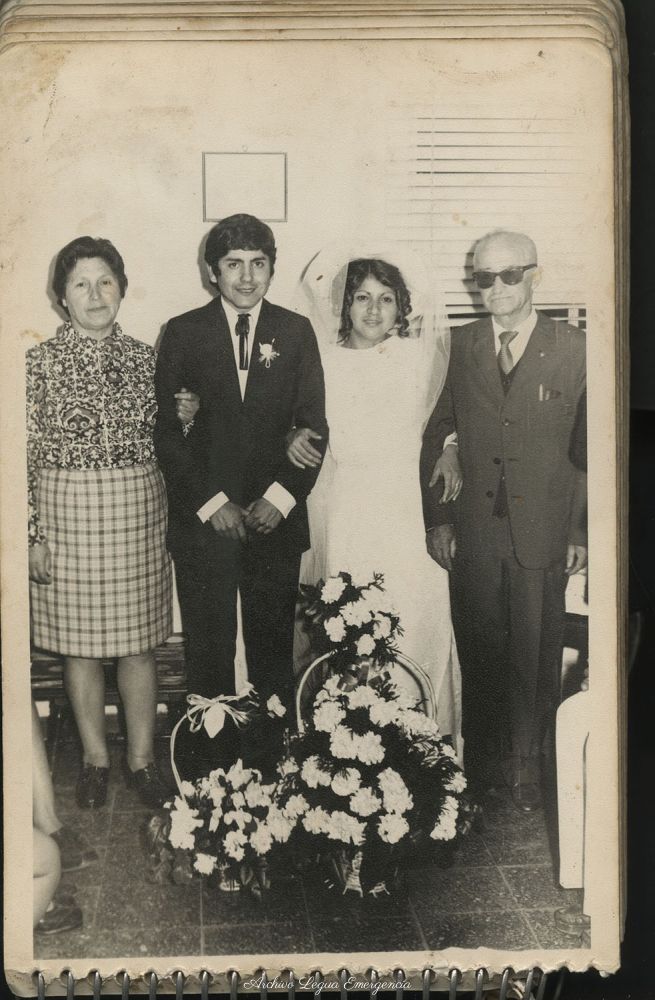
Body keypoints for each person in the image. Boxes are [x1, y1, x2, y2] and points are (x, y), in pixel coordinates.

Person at [420, 229, 587, 813]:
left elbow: (592, 448)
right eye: (483, 277)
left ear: (535, 275)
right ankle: (484, 773)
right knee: (481, 651)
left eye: (509, 275)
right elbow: (436, 429)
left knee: (537, 654)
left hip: (545, 529)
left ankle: (530, 772)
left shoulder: (575, 347)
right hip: (476, 531)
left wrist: (581, 532)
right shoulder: (458, 345)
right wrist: (440, 520)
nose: (495, 287)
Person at [154, 214, 328, 764]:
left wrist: (280, 499)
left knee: (271, 652)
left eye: (258, 264)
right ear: (213, 272)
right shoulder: (183, 331)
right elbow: (168, 433)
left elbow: (313, 427)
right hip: (206, 522)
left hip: (273, 521)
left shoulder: (295, 331)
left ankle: (271, 767)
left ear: (272, 268)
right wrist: (212, 504)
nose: (247, 277)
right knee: (209, 650)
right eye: (234, 265)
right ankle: (211, 773)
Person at [287, 250, 461, 744]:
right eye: (361, 298)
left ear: (401, 306)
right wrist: (291, 434)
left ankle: (424, 741)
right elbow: (297, 419)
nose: (373, 310)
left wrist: (451, 447)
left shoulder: (419, 357)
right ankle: (353, 745)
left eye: (386, 299)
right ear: (344, 305)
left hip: (407, 506)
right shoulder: (323, 361)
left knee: (417, 614)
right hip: (349, 507)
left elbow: (449, 416)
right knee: (353, 618)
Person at [27, 237, 172, 810]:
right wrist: (32, 535)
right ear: (61, 296)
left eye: (105, 281)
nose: (94, 294)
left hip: (137, 515)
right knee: (79, 650)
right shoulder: (37, 364)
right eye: (80, 284)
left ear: (122, 289)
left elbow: (173, 440)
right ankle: (94, 760)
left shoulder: (147, 359)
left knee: (139, 647)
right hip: (66, 517)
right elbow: (20, 454)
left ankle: (142, 760)